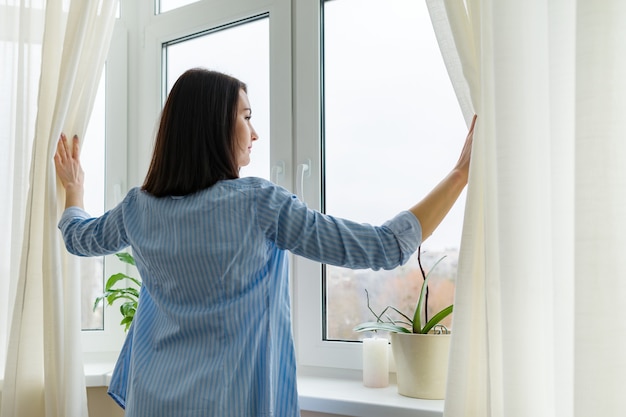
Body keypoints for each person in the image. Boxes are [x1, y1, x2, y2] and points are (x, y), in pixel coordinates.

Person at [55, 68, 476, 417]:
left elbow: (78, 238)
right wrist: (460, 174)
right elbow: (382, 246)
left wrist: (74, 191)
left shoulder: (138, 208)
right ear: (215, 125)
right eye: (247, 116)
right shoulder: (258, 203)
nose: (254, 133)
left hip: (152, 402)